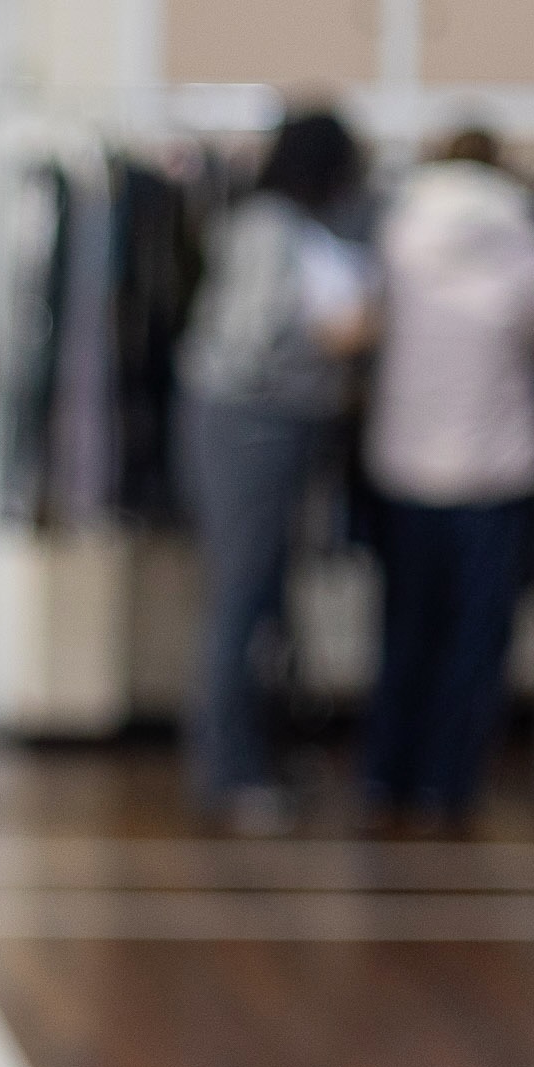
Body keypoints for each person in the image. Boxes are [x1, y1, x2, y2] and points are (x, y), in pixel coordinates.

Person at [174, 107, 375, 830]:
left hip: (268, 429)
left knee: (262, 597)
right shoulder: (270, 229)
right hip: (250, 428)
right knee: (242, 596)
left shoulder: (290, 229)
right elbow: (250, 341)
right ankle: (227, 771)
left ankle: (252, 756)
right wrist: (337, 339)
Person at [358, 127, 534, 827]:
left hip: (406, 460)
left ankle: (387, 774)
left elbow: (366, 329)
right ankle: (451, 783)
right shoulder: (528, 243)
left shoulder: (396, 231)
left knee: (403, 631)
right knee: (477, 639)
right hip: (495, 465)